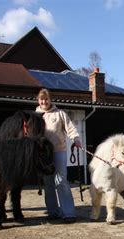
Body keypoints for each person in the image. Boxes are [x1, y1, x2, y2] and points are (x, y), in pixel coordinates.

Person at [36, 88, 82, 224]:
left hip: (58, 151)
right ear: (38, 100)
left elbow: (70, 128)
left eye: (46, 99)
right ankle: (53, 211)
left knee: (61, 180)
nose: (44, 101)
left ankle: (68, 213)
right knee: (48, 182)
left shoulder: (60, 113)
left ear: (50, 100)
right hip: (44, 154)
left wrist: (76, 139)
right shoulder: (36, 115)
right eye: (42, 99)